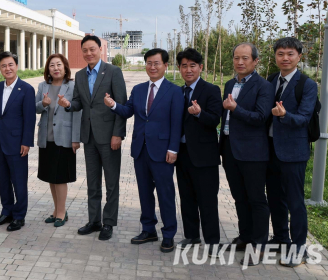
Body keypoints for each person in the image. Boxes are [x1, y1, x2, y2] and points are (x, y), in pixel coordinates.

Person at [104, 48, 183, 253]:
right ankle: (148, 230)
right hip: (141, 150)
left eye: (157, 63)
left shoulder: (174, 91)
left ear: (166, 66)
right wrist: (113, 105)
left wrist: (173, 148)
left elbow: (177, 124)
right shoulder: (138, 89)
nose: (152, 67)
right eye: (149, 63)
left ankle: (168, 234)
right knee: (145, 193)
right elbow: (128, 111)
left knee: (166, 194)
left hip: (163, 151)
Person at [57, 35, 126, 240]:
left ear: (100, 50)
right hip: (89, 137)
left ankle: (109, 223)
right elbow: (79, 103)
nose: (88, 53)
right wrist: (68, 105)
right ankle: (94, 220)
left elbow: (121, 104)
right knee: (93, 183)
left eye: (92, 49)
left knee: (111, 183)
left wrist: (117, 134)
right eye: (85, 50)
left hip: (109, 137)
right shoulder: (79, 76)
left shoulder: (113, 71)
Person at [219, 43, 273, 266]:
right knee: (239, 197)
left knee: (256, 199)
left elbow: (261, 118)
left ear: (255, 61)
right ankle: (245, 236)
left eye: (245, 58)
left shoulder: (264, 86)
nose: (240, 62)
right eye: (236, 58)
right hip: (230, 149)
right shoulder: (230, 83)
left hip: (253, 152)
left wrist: (235, 109)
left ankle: (259, 245)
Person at [266, 37, 317, 268]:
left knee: (295, 202)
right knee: (275, 199)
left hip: (294, 153)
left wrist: (284, 115)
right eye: (280, 54)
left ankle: (299, 248)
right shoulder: (272, 80)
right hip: (270, 151)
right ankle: (280, 239)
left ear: (299, 56)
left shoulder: (306, 84)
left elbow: (305, 118)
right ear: (275, 56)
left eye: (290, 54)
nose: (285, 58)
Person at [175, 48, 222, 248]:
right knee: (186, 198)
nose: (188, 70)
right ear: (179, 68)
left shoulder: (211, 90)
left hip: (204, 156)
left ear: (200, 67)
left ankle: (212, 240)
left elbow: (214, 120)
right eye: (184, 66)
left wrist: (199, 113)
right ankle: (192, 235)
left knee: (207, 200)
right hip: (182, 153)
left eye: (192, 66)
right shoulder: (177, 91)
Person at [0, 51, 35, 232]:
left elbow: (29, 119)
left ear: (16, 66)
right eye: (3, 66)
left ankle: (19, 215)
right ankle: (6, 211)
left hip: (17, 143)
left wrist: (27, 142)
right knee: (4, 180)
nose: (7, 68)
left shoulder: (27, 89)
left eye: (10, 64)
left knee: (19, 181)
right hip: (0, 142)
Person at [36, 54, 81, 228]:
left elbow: (78, 113)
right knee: (51, 176)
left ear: (65, 67)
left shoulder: (73, 86)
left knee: (60, 177)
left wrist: (76, 139)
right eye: (52, 65)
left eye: (59, 65)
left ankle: (62, 212)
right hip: (46, 138)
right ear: (48, 69)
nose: (55, 68)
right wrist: (44, 103)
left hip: (65, 137)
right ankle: (56, 210)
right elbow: (35, 107)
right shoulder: (42, 86)